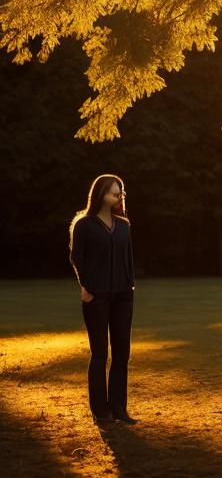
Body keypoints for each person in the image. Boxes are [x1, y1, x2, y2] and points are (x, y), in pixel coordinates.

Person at [68, 174, 137, 425]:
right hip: (96, 296)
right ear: (100, 195)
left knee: (122, 353)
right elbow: (77, 258)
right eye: (113, 192)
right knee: (99, 354)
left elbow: (128, 257)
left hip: (123, 295)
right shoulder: (84, 224)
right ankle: (100, 410)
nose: (118, 196)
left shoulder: (124, 225)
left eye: (120, 192)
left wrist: (130, 282)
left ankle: (119, 408)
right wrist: (84, 287)